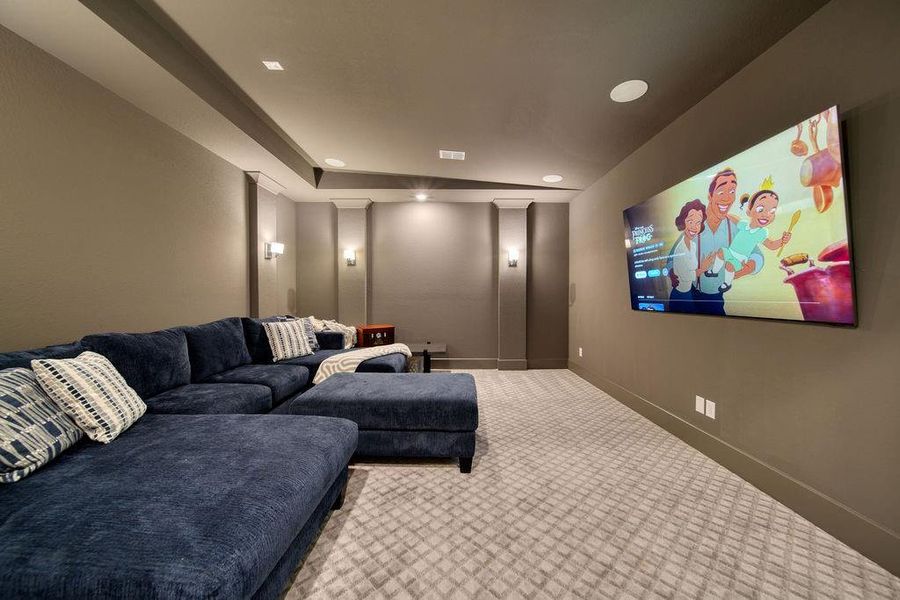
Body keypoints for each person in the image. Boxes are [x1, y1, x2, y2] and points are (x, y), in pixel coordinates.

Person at [677, 168, 764, 316]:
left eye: (732, 191)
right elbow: (674, 257)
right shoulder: (694, 224)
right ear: (710, 195)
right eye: (721, 191)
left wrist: (747, 269)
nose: (727, 198)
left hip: (714, 297)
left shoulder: (736, 226)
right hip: (687, 295)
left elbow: (757, 255)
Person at [705, 186, 791, 293]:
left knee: (729, 265)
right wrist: (725, 214)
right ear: (749, 212)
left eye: (772, 211)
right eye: (761, 209)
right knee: (721, 252)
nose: (766, 214)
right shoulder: (744, 225)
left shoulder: (760, 233)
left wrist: (782, 240)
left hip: (740, 258)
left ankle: (727, 283)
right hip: (730, 252)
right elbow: (736, 220)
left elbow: (771, 244)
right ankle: (714, 271)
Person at [667, 199, 710, 313]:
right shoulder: (679, 248)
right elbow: (686, 276)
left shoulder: (693, 245)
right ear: (683, 222)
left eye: (698, 222)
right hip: (680, 295)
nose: (694, 227)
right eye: (690, 221)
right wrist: (703, 268)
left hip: (688, 292)